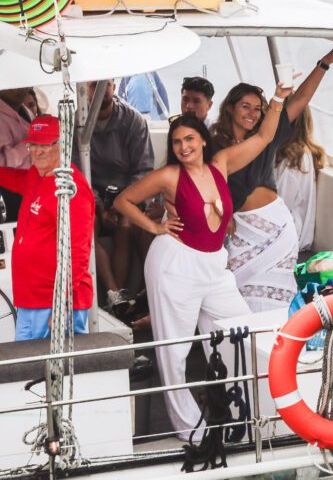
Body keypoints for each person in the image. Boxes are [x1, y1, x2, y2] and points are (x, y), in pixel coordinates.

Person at [114, 81, 292, 439]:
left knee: (242, 333)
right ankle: (190, 431)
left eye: (189, 140)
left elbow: (263, 138)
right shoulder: (168, 176)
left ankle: (246, 411)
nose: (183, 147)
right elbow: (123, 202)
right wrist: (156, 227)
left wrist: (277, 99)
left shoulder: (220, 164)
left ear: (203, 142)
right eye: (177, 142)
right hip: (175, 266)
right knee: (175, 352)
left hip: (214, 268)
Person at [211, 45, 333, 311]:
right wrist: (223, 214)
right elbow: (204, 185)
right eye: (245, 106)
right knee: (237, 298)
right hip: (240, 233)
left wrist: (324, 63)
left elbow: (299, 100)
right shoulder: (213, 146)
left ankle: (272, 350)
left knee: (275, 303)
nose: (252, 113)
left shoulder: (265, 137)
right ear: (231, 108)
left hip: (276, 229)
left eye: (258, 109)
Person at [0, 115, 94, 340]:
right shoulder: (37, 176)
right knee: (29, 365)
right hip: (30, 299)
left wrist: (62, 303)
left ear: (63, 144)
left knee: (51, 369)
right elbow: (18, 180)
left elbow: (78, 252)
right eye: (33, 144)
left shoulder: (72, 190)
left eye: (45, 144)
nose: (37, 151)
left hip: (52, 301)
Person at [74, 80, 155, 314]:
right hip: (90, 195)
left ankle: (120, 299)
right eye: (93, 85)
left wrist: (121, 205)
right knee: (86, 228)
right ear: (83, 89)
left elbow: (143, 170)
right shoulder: (76, 125)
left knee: (128, 225)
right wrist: (100, 207)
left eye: (105, 85)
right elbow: (79, 173)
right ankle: (113, 292)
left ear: (114, 85)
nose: (101, 90)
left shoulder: (133, 120)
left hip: (127, 195)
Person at [274, 103, 325, 252]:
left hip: (289, 233)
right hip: (292, 228)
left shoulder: (294, 156)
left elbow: (281, 203)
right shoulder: (299, 150)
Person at [0, 88, 34, 168]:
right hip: (14, 179)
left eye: (22, 84)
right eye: (12, 84)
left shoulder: (25, 111)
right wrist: (28, 144)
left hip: (33, 178)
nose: (19, 88)